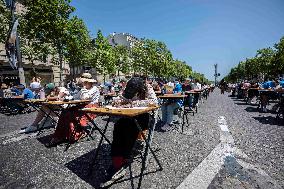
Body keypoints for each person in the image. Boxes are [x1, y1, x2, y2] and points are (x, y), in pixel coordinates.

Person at [100, 77, 158, 187]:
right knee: (118, 126)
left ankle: (124, 158)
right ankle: (117, 161)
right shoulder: (128, 88)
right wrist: (116, 101)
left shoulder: (148, 88)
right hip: (130, 115)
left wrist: (133, 103)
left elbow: (154, 102)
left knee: (130, 127)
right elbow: (119, 97)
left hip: (146, 117)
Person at [46, 73, 100, 147]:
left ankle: (74, 135)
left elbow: (85, 98)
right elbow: (74, 97)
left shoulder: (94, 89)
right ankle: (60, 136)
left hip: (91, 108)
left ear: (89, 82)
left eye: (84, 82)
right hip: (82, 107)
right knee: (64, 112)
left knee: (69, 114)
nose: (83, 83)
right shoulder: (83, 89)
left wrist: (83, 89)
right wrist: (66, 98)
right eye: (84, 82)